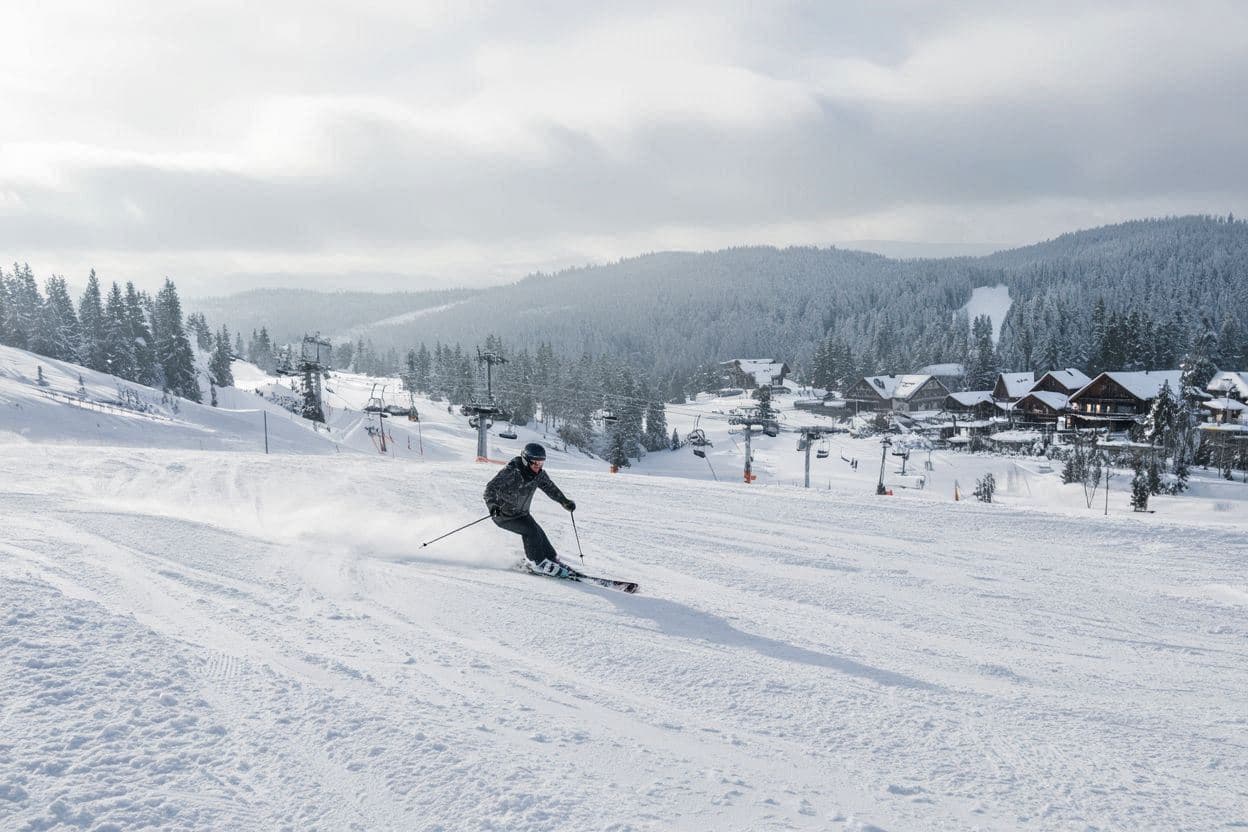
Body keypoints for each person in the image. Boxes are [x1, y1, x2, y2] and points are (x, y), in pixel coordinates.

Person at [483, 442, 577, 576]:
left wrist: (564, 501)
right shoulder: (511, 471)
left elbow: (550, 488)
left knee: (539, 532)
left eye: (541, 463)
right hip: (504, 515)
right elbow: (490, 489)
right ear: (525, 461)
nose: (538, 467)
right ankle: (537, 563)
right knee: (531, 532)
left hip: (521, 514)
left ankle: (551, 558)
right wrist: (493, 507)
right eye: (535, 463)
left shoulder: (539, 474)